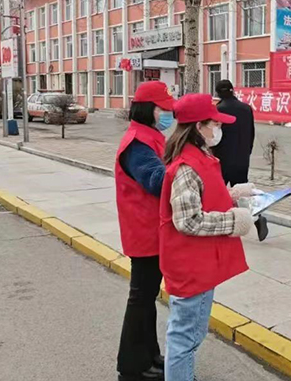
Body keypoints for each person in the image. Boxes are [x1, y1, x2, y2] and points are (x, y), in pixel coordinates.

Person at [159, 93, 256, 381]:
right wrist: (234, 221)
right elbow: (188, 220)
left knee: (191, 333)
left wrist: (232, 194)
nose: (219, 129)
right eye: (215, 124)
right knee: (184, 338)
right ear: (198, 127)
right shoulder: (186, 167)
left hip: (199, 263)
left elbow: (203, 197)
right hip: (191, 265)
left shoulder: (200, 157)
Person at [115, 81, 175, 381]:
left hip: (152, 230)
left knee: (146, 298)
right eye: (164, 108)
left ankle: (149, 356)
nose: (168, 114)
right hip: (144, 233)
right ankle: (132, 367)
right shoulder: (138, 143)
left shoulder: (150, 136)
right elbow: (156, 181)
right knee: (140, 299)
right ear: (149, 109)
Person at [212, 79, 268, 241]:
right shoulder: (246, 109)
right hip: (242, 158)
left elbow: (214, 137)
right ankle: (258, 218)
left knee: (217, 193)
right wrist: (247, 152)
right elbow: (251, 133)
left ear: (217, 93)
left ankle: (222, 224)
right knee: (244, 195)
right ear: (233, 90)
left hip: (222, 159)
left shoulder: (218, 110)